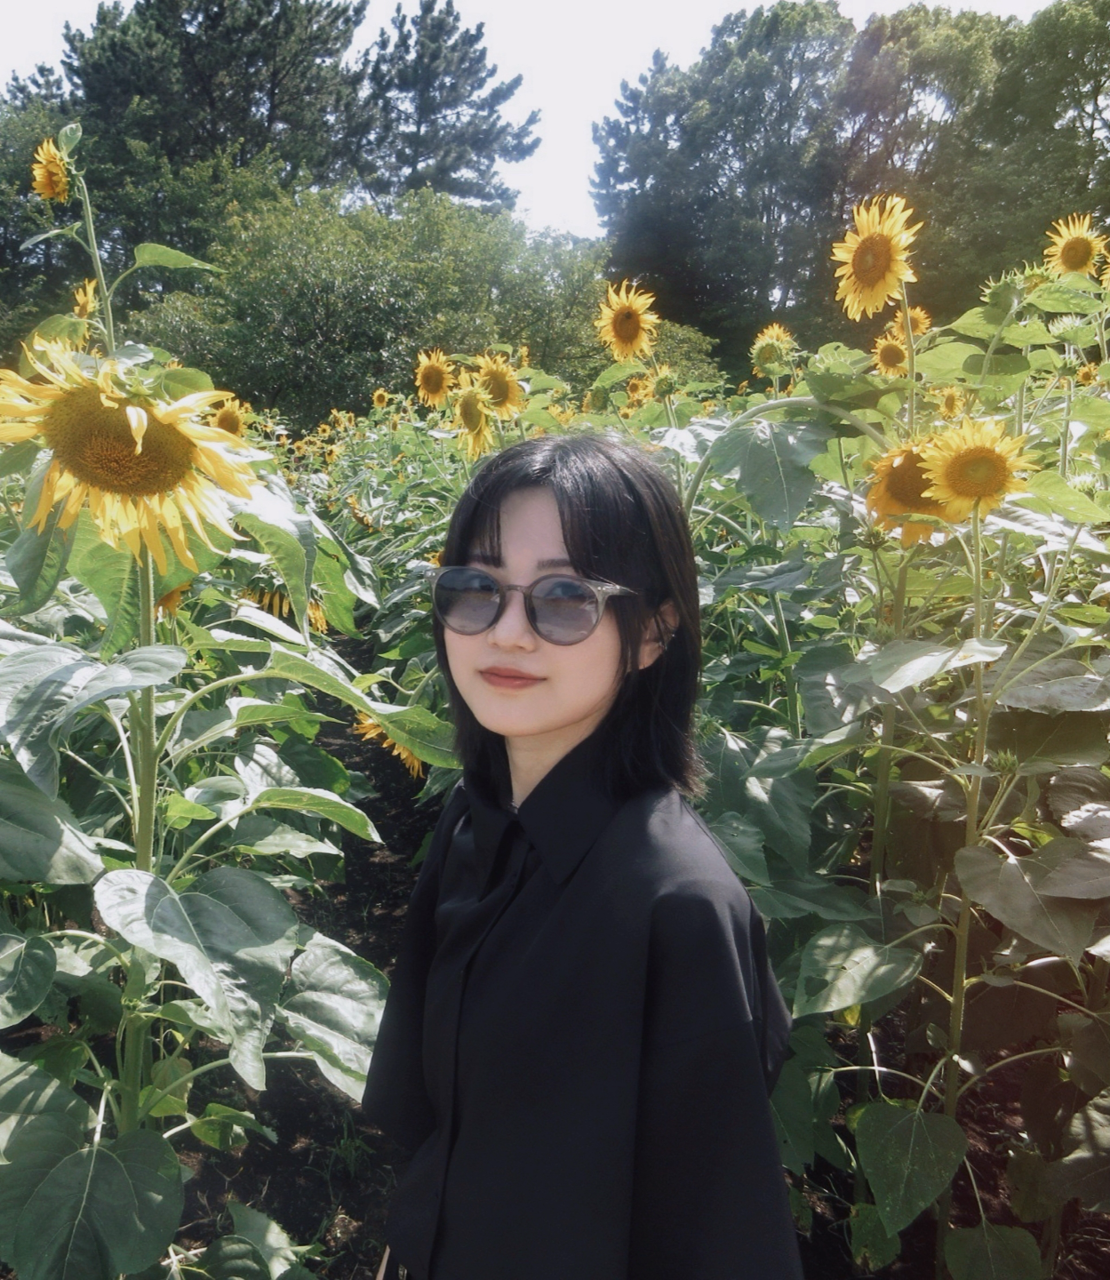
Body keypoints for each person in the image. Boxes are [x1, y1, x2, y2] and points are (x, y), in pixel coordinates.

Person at [362, 433, 803, 1280]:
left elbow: (716, 1232)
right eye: (476, 589)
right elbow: (437, 1131)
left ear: (655, 632)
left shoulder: (676, 908)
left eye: (565, 598)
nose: (508, 634)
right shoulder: (474, 823)